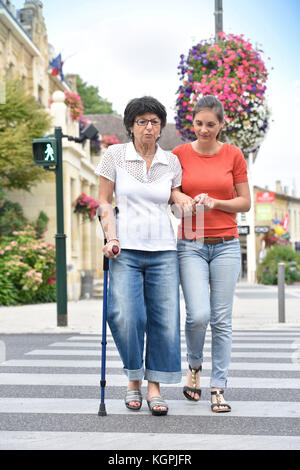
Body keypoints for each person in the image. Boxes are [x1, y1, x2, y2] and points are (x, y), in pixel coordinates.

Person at [95, 96, 182, 416]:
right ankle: (133, 377)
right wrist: (111, 236)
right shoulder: (114, 156)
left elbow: (174, 201)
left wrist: (190, 207)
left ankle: (154, 386)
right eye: (142, 121)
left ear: (161, 127)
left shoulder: (171, 161)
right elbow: (104, 202)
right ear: (130, 126)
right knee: (127, 315)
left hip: (164, 250)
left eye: (154, 122)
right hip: (125, 250)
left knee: (165, 321)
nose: (149, 127)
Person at [172, 95, 251, 412]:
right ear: (193, 123)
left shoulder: (233, 155)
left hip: (227, 245)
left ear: (221, 125)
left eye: (211, 124)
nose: (204, 130)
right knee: (198, 315)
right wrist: (180, 197)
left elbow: (245, 202)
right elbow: (169, 190)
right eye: (199, 123)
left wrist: (217, 203)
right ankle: (193, 367)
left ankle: (219, 386)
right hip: (190, 243)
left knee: (221, 320)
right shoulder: (178, 154)